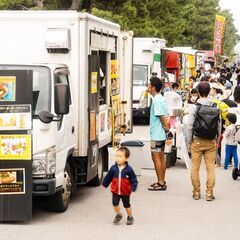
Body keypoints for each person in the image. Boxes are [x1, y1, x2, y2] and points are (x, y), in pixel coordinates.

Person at [187, 82, 220, 201]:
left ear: (199, 92)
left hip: (197, 140)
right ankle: (209, 193)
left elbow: (189, 126)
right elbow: (218, 126)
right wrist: (216, 140)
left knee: (195, 167)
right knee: (210, 167)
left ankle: (196, 193)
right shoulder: (215, 106)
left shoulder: (194, 107)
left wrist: (188, 142)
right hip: (210, 140)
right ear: (209, 91)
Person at [102, 147, 138, 225]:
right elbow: (108, 177)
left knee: (126, 205)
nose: (117, 158)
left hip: (125, 192)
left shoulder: (129, 169)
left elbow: (134, 179)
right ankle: (118, 214)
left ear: (126, 158)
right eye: (116, 156)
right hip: (115, 191)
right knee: (115, 203)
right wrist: (105, 184)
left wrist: (133, 186)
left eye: (120, 156)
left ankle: (130, 217)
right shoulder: (113, 168)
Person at [147, 77, 169, 191]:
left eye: (149, 84)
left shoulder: (157, 100)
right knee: (160, 157)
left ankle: (160, 182)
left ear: (153, 87)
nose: (148, 86)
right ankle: (162, 180)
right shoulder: (160, 98)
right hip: (159, 134)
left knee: (156, 158)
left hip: (157, 134)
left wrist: (166, 127)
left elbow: (161, 116)